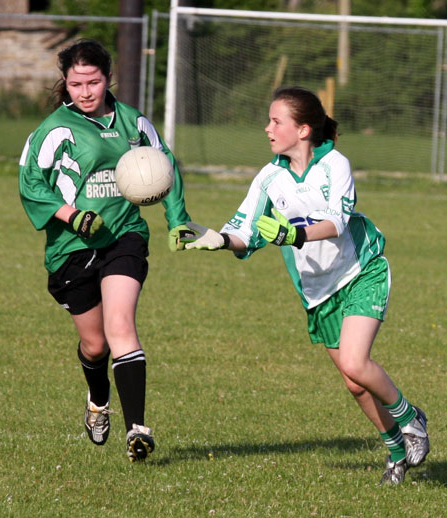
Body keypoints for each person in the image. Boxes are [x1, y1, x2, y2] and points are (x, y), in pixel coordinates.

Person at [184, 86, 429, 485]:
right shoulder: (269, 177)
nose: (267, 129)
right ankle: (396, 453)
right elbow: (245, 230)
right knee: (354, 383)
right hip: (318, 291)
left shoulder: (334, 164)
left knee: (354, 362)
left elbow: (336, 222)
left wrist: (293, 235)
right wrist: (217, 238)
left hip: (361, 270)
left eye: (276, 121)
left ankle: (411, 418)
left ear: (303, 129)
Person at [19, 39, 195, 462]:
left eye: (93, 82)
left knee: (121, 325)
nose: (84, 91)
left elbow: (163, 166)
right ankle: (98, 402)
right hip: (71, 250)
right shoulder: (53, 130)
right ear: (65, 83)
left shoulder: (133, 123)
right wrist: (71, 215)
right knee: (95, 346)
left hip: (123, 237)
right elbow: (29, 183)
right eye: (76, 83)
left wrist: (178, 220)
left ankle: (138, 429)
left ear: (108, 78)